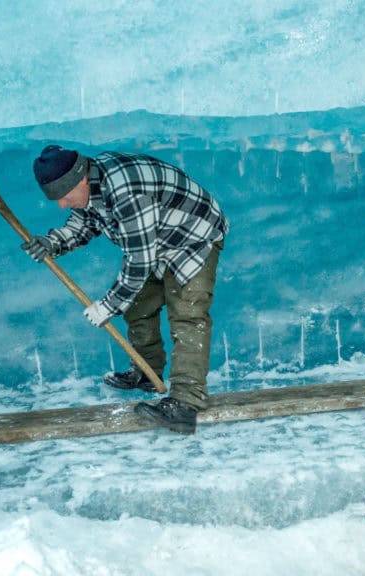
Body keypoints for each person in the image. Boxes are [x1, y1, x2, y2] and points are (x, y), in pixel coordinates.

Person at [23, 145, 228, 435]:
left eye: (64, 196)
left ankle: (184, 403)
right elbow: (84, 221)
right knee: (138, 305)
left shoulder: (126, 192)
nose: (62, 205)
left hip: (191, 237)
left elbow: (140, 260)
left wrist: (108, 306)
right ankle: (147, 371)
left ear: (80, 179)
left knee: (188, 315)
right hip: (155, 238)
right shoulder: (90, 184)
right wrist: (52, 242)